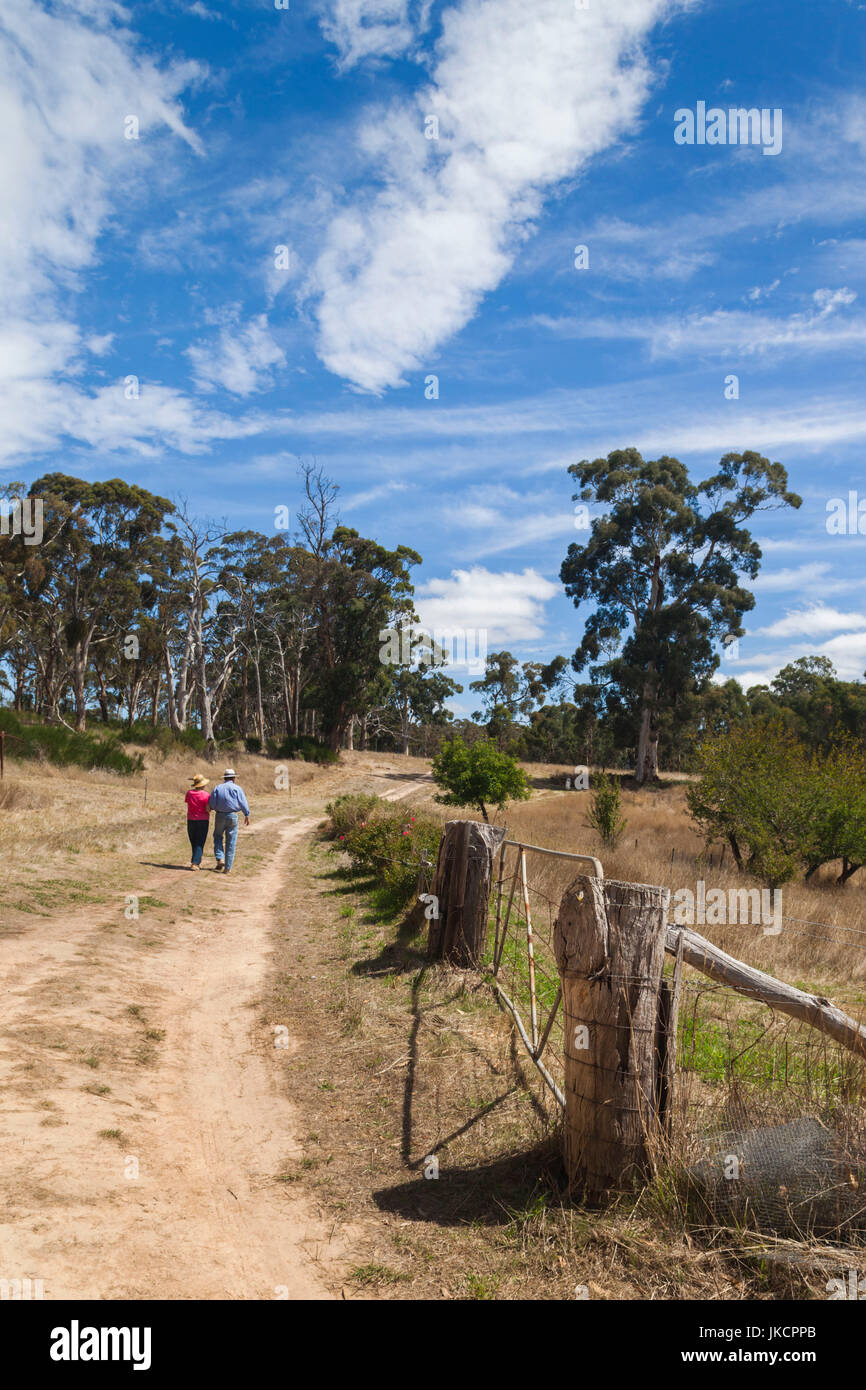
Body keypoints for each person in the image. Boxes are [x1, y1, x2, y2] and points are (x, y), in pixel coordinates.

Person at [208, 768, 251, 875]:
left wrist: (213, 808)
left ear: (225, 778)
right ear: (233, 778)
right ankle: (228, 867)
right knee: (231, 841)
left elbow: (212, 804)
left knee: (218, 836)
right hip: (233, 815)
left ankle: (220, 858)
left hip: (220, 815)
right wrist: (246, 814)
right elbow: (243, 802)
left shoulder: (218, 788)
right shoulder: (237, 788)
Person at [184, 775, 211, 871]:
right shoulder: (206, 795)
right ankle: (195, 863)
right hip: (202, 820)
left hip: (191, 819)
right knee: (200, 841)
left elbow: (188, 803)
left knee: (194, 841)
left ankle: (196, 860)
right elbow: (207, 809)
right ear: (202, 785)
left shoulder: (189, 793)